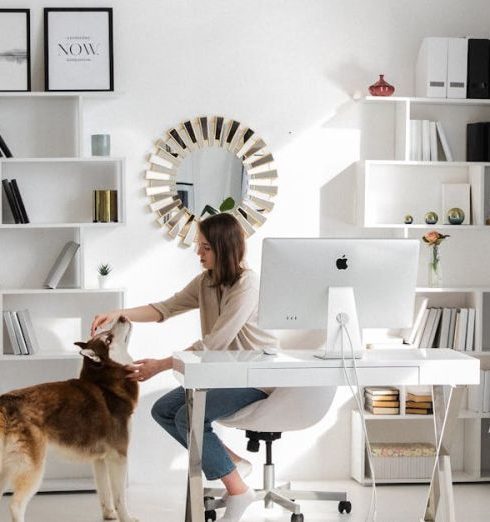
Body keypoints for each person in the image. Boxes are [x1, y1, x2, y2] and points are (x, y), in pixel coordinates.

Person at [90, 213, 278, 522]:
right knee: (163, 410)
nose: (198, 254)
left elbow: (215, 342)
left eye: (205, 247)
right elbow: (165, 308)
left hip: (255, 375)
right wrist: (117, 313)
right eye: (198, 246)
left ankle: (237, 489)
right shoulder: (207, 280)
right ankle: (230, 463)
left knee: (189, 415)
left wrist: (162, 365)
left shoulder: (248, 284)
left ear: (224, 248)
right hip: (222, 373)